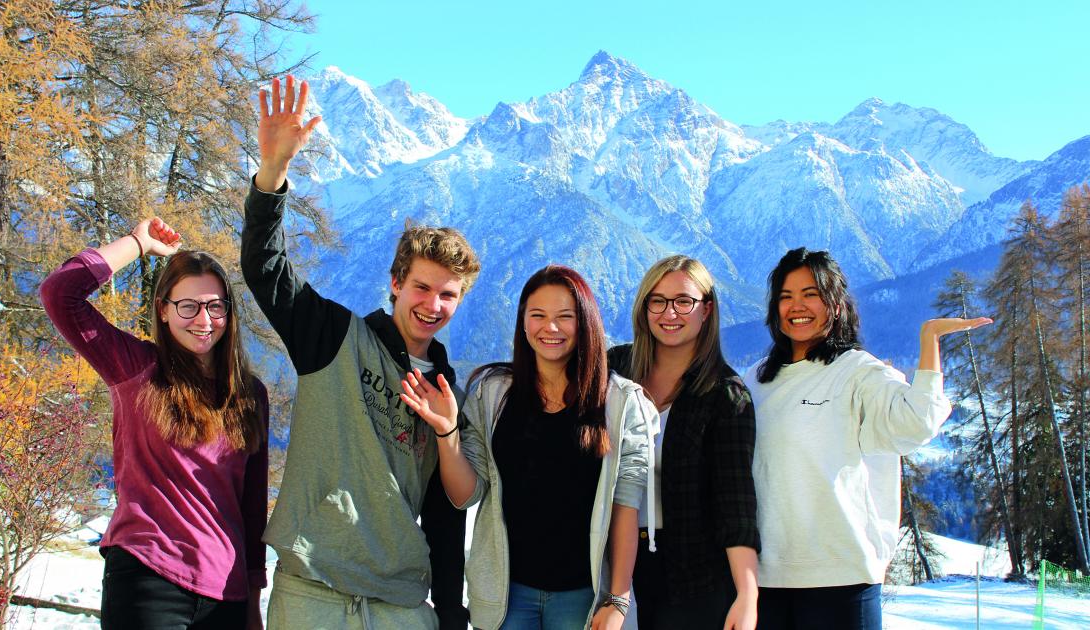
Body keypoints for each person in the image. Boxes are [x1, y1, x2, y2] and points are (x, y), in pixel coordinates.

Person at [243, 75, 481, 629]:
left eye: (449, 295)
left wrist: (449, 613)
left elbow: (447, 516)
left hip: (401, 603)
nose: (433, 304)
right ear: (396, 283)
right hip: (313, 592)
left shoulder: (450, 393)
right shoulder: (333, 337)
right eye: (422, 287)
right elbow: (265, 269)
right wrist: (273, 174)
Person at [743, 247, 991, 630]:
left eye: (811, 294)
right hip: (764, 579)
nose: (797, 306)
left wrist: (929, 341)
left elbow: (915, 425)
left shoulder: (858, 371)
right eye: (786, 296)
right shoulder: (757, 379)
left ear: (835, 304)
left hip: (841, 577)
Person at [40, 218, 269, 629]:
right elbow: (60, 294)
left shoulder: (250, 394)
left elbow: (251, 507)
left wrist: (253, 603)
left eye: (215, 306)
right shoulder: (136, 368)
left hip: (226, 593)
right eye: (188, 306)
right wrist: (137, 243)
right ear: (163, 310)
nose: (204, 319)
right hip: (148, 578)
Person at [401, 264, 655, 630]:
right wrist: (447, 432)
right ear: (522, 322)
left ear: (585, 323)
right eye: (538, 315)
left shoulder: (619, 403)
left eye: (564, 317)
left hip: (583, 597)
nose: (550, 328)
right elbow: (464, 496)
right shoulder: (493, 393)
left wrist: (617, 599)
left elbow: (626, 507)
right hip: (507, 596)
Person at [607, 255, 760, 630]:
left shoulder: (725, 395)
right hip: (611, 564)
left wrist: (747, 594)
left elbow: (735, 503)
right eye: (657, 301)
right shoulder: (615, 370)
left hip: (694, 578)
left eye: (683, 301)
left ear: (706, 310)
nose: (669, 313)